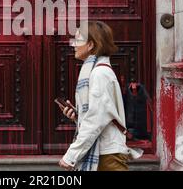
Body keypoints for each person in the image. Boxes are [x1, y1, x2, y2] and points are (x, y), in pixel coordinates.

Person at [58, 21, 142, 171]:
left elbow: (95, 119)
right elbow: (99, 114)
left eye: (77, 40)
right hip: (104, 152)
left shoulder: (99, 73)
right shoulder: (95, 71)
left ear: (90, 45)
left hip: (106, 155)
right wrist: (77, 116)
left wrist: (71, 155)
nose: (73, 45)